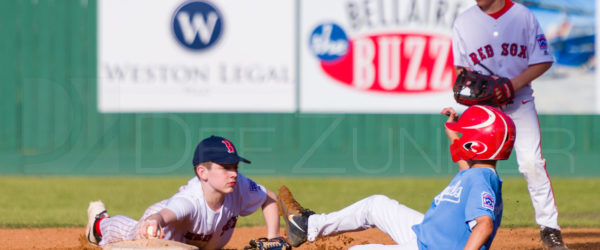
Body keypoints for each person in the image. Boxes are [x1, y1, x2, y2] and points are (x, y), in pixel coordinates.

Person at [279, 105, 515, 249]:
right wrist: (453, 135)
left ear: (476, 144)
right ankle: (307, 226)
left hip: (430, 247)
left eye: (466, 134)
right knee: (376, 204)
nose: (461, 137)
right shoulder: (476, 174)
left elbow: (484, 226)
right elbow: (466, 170)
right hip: (424, 234)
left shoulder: (482, 179)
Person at [451, 0, 567, 248]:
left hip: (520, 101)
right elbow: (460, 71)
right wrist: (469, 91)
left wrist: (510, 85)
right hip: (484, 107)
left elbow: (544, 59)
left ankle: (550, 228)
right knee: (479, 169)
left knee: (531, 163)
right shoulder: (463, 22)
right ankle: (473, 228)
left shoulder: (523, 16)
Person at [85, 135, 282, 249]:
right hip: (161, 233)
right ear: (202, 172)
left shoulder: (239, 185)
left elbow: (269, 198)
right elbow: (163, 215)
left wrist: (273, 237)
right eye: (225, 167)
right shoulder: (190, 200)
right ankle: (99, 225)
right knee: (134, 232)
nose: (233, 174)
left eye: (235, 167)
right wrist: (154, 220)